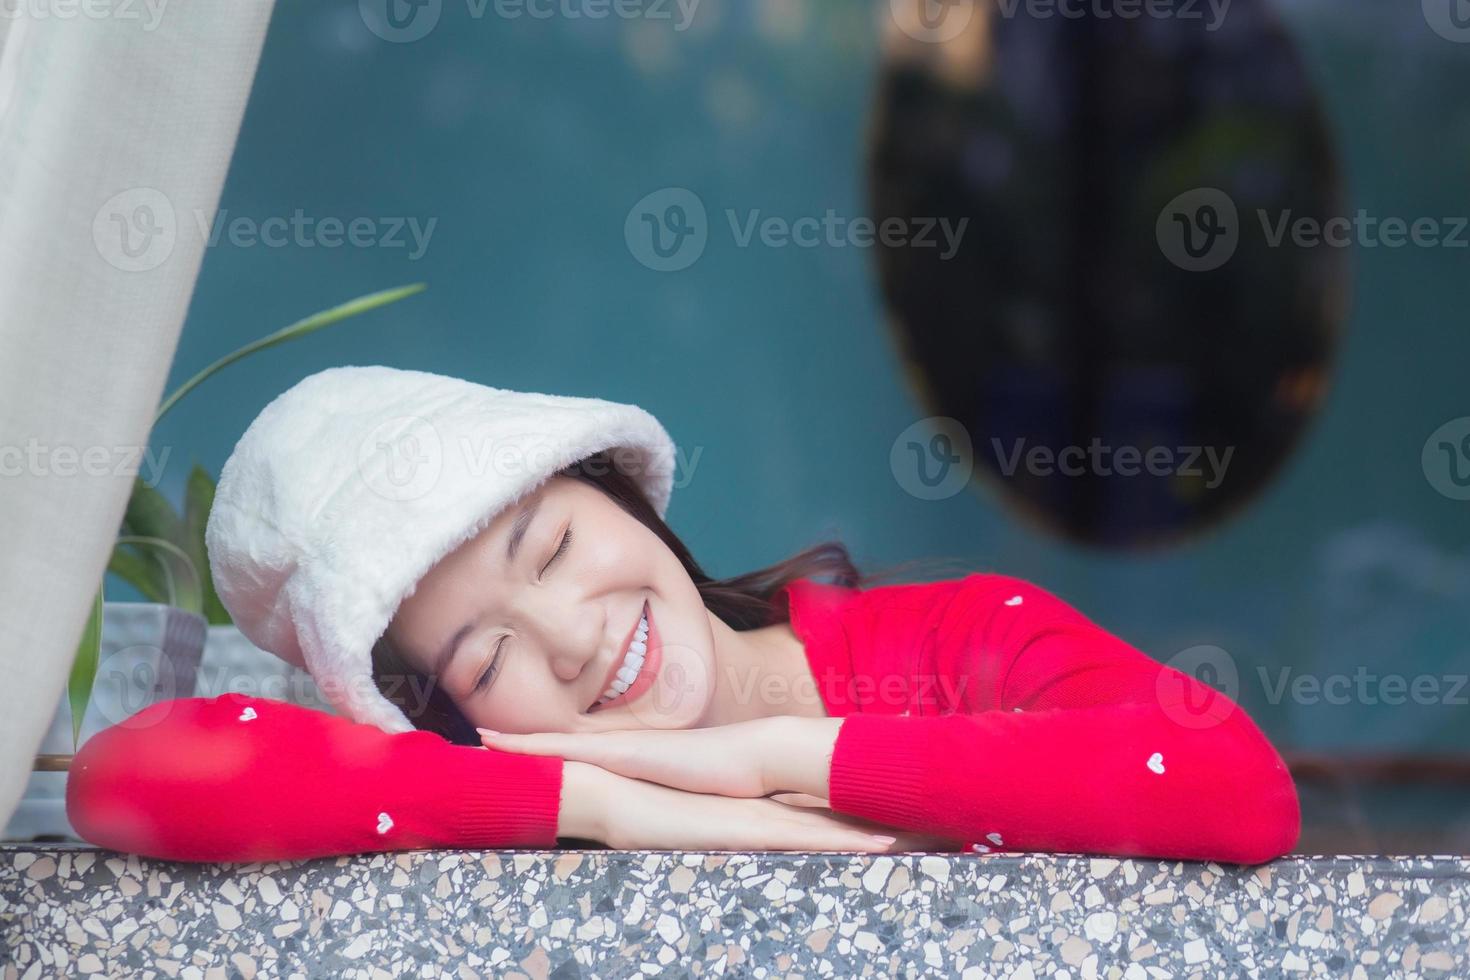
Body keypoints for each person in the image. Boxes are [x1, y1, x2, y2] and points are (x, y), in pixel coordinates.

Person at [65, 366, 1300, 864]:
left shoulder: (955, 639)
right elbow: (130, 776)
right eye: (488, 655)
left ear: (621, 494)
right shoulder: (493, 778)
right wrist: (606, 801)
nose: (573, 635)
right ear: (447, 705)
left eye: (550, 545)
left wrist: (757, 760)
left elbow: (1232, 784)